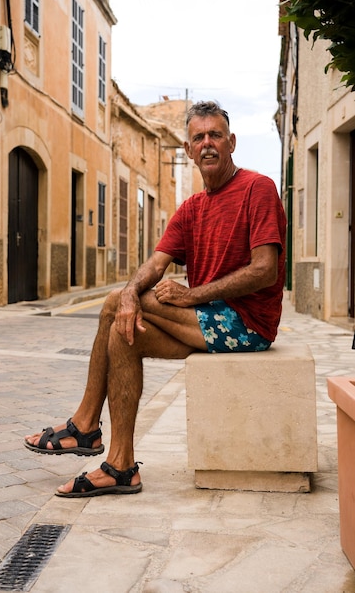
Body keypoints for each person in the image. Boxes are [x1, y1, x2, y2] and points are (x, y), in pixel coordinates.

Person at [24, 100, 286, 498]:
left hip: (247, 324)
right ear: (187, 150)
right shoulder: (192, 209)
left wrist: (189, 295)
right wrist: (132, 292)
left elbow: (265, 268)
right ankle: (121, 465)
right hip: (203, 322)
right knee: (122, 331)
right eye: (198, 137)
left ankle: (85, 425)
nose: (208, 143)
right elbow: (156, 263)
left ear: (232, 142)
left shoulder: (257, 188)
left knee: (115, 304)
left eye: (216, 135)